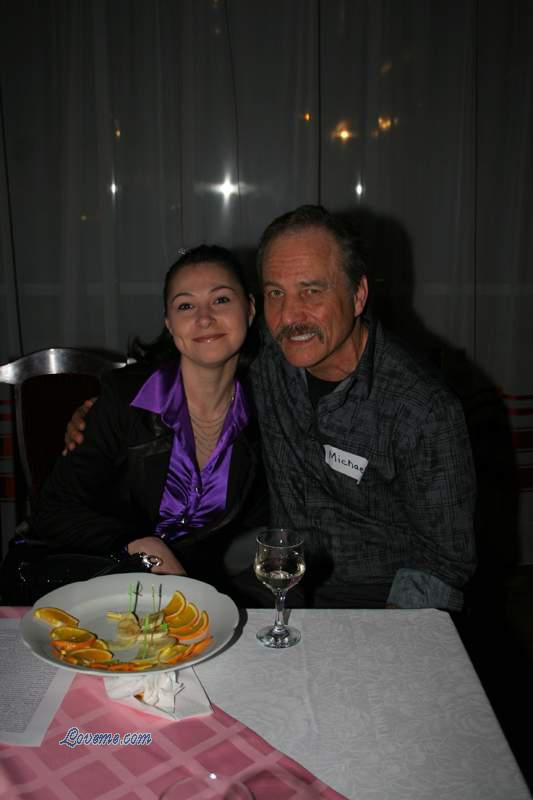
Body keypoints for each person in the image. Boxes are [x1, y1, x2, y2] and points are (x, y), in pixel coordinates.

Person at [65, 206, 477, 610]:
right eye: (276, 292)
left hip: (374, 603)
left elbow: (444, 560)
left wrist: (389, 637)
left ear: (358, 295)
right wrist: (107, 411)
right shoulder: (268, 357)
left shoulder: (421, 410)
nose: (290, 315)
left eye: (312, 291)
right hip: (273, 583)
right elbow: (198, 346)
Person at [23, 245, 267, 600]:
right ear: (169, 323)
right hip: (101, 590)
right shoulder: (126, 401)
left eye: (221, 300)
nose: (204, 318)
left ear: (250, 308)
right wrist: (137, 545)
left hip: (198, 597)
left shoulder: (266, 409)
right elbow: (53, 510)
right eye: (186, 306)